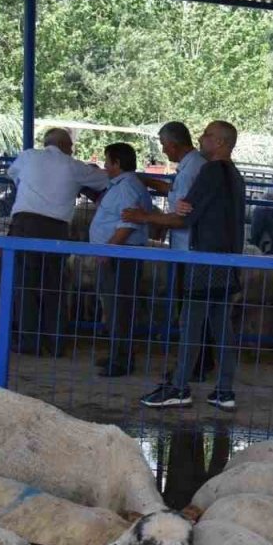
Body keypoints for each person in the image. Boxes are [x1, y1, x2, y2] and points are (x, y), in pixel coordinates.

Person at [139, 121, 246, 410]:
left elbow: (186, 216)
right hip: (228, 261)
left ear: (221, 142)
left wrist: (147, 217)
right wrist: (187, 206)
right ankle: (224, 390)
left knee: (192, 323)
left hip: (204, 261)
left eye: (208, 135)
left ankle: (179, 386)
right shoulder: (235, 175)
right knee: (221, 327)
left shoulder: (210, 171)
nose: (201, 138)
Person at [6, 127, 109, 355]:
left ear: (47, 143)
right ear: (66, 146)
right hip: (56, 230)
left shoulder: (29, 156)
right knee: (55, 287)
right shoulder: (73, 166)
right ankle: (56, 343)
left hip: (24, 225)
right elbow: (105, 180)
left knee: (25, 286)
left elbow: (13, 176)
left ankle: (28, 341)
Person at [125, 121, 214, 381]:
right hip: (185, 248)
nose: (163, 150)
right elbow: (177, 194)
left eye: (164, 145)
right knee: (195, 310)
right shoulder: (190, 167)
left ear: (173, 145)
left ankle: (192, 367)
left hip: (188, 249)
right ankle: (199, 363)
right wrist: (147, 180)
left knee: (190, 312)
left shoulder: (190, 170)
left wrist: (144, 217)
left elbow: (181, 217)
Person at [90, 142, 152, 377]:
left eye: (107, 162)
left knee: (120, 308)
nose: (105, 166)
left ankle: (122, 361)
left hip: (121, 255)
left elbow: (128, 222)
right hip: (118, 254)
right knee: (116, 307)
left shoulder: (127, 187)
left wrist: (109, 249)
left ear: (117, 163)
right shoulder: (124, 185)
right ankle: (118, 354)